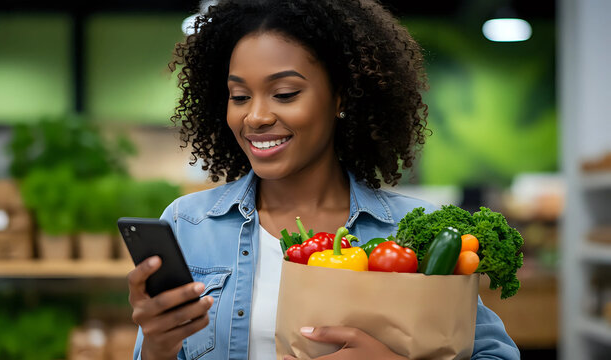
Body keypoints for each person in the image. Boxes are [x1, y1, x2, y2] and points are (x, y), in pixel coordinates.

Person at [127, 0, 520, 359]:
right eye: (240, 96)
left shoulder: (412, 232)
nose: (256, 117)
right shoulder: (189, 224)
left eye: (284, 93)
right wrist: (158, 344)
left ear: (341, 98)